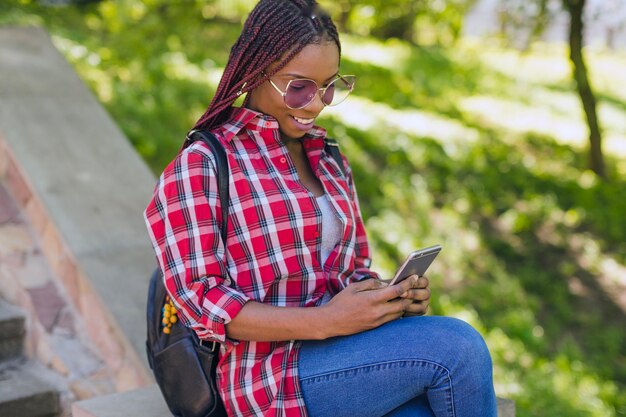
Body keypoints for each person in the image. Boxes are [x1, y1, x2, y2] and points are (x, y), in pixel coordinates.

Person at [144, 1, 497, 416]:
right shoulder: (203, 163)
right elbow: (204, 303)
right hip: (265, 376)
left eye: (329, 85)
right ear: (255, 71)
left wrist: (389, 296)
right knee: (457, 348)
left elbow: (351, 270)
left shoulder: (329, 158)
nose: (316, 103)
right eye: (299, 87)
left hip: (340, 353)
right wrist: (328, 321)